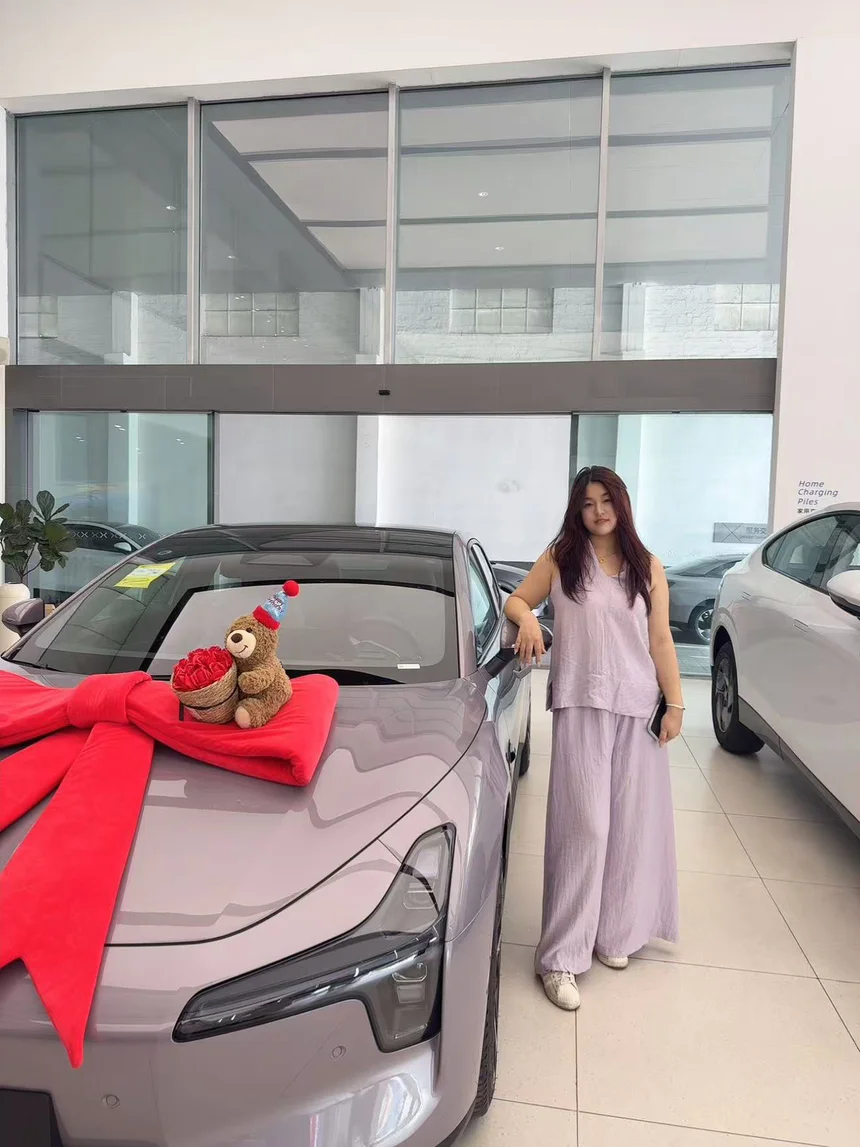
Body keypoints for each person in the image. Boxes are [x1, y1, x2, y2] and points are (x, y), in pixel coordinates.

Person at [504, 466, 682, 1010]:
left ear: (622, 504)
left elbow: (659, 639)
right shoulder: (562, 558)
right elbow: (517, 601)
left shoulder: (647, 566)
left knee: (628, 826)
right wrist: (528, 621)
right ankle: (561, 957)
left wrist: (675, 703)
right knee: (583, 828)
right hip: (582, 701)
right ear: (576, 511)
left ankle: (614, 932)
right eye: (588, 503)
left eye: (606, 500)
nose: (599, 511)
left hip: (637, 705)